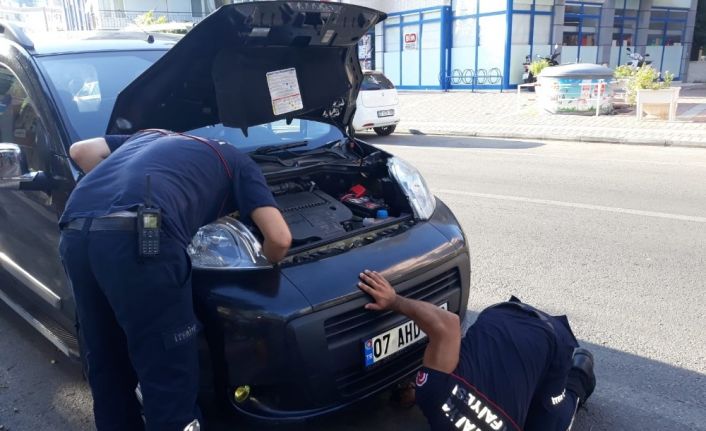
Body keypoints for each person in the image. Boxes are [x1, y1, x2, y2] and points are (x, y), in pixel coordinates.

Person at [59, 129, 291, 431]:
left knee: (107, 360)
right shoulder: (235, 158)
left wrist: (120, 198)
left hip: (75, 232)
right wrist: (267, 262)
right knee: (167, 375)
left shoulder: (148, 136)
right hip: (142, 239)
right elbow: (280, 238)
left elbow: (80, 151)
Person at [358, 270, 596, 431]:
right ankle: (580, 373)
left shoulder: (432, 397)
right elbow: (447, 324)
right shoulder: (433, 397)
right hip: (536, 331)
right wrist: (394, 301)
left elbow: (448, 326)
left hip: (508, 317)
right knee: (552, 423)